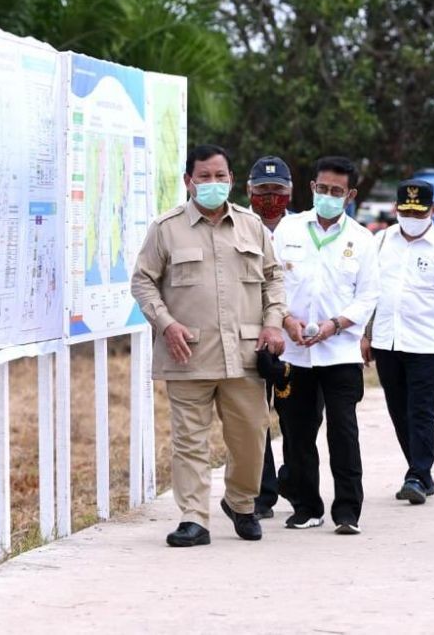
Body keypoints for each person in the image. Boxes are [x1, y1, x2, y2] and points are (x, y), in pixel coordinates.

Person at [131, 144, 287, 548]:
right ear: (189, 182)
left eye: (220, 176)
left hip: (245, 355)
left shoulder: (253, 228)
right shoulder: (166, 228)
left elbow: (274, 279)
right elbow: (143, 281)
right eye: (204, 177)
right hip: (187, 355)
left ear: (232, 180)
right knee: (189, 441)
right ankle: (193, 519)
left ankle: (240, 503)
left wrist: (273, 324)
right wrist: (165, 324)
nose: (213, 184)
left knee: (251, 437)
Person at [273, 155, 380, 535]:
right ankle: (306, 505)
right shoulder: (287, 230)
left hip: (340, 352)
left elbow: (367, 297)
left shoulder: (362, 240)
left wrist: (337, 325)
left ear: (350, 195)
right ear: (312, 188)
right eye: (323, 189)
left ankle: (347, 510)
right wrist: (287, 321)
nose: (328, 196)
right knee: (297, 432)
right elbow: (271, 284)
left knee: (343, 432)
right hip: (294, 350)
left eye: (337, 191)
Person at [361, 179, 434, 505]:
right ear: (395, 209)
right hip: (387, 342)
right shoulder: (380, 242)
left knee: (421, 411)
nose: (410, 216)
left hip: (426, 344)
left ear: (433, 210)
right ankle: (420, 472)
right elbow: (369, 293)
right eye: (404, 210)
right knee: (398, 411)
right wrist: (366, 334)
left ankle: (417, 475)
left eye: (418, 211)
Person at [245, 155, 295, 520]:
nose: (269, 197)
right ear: (249, 190)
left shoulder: (304, 231)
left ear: (290, 192)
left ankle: (292, 480)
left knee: (298, 420)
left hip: (298, 342)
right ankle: (261, 494)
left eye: (277, 190)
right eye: (263, 189)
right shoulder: (236, 227)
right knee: (253, 418)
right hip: (251, 337)